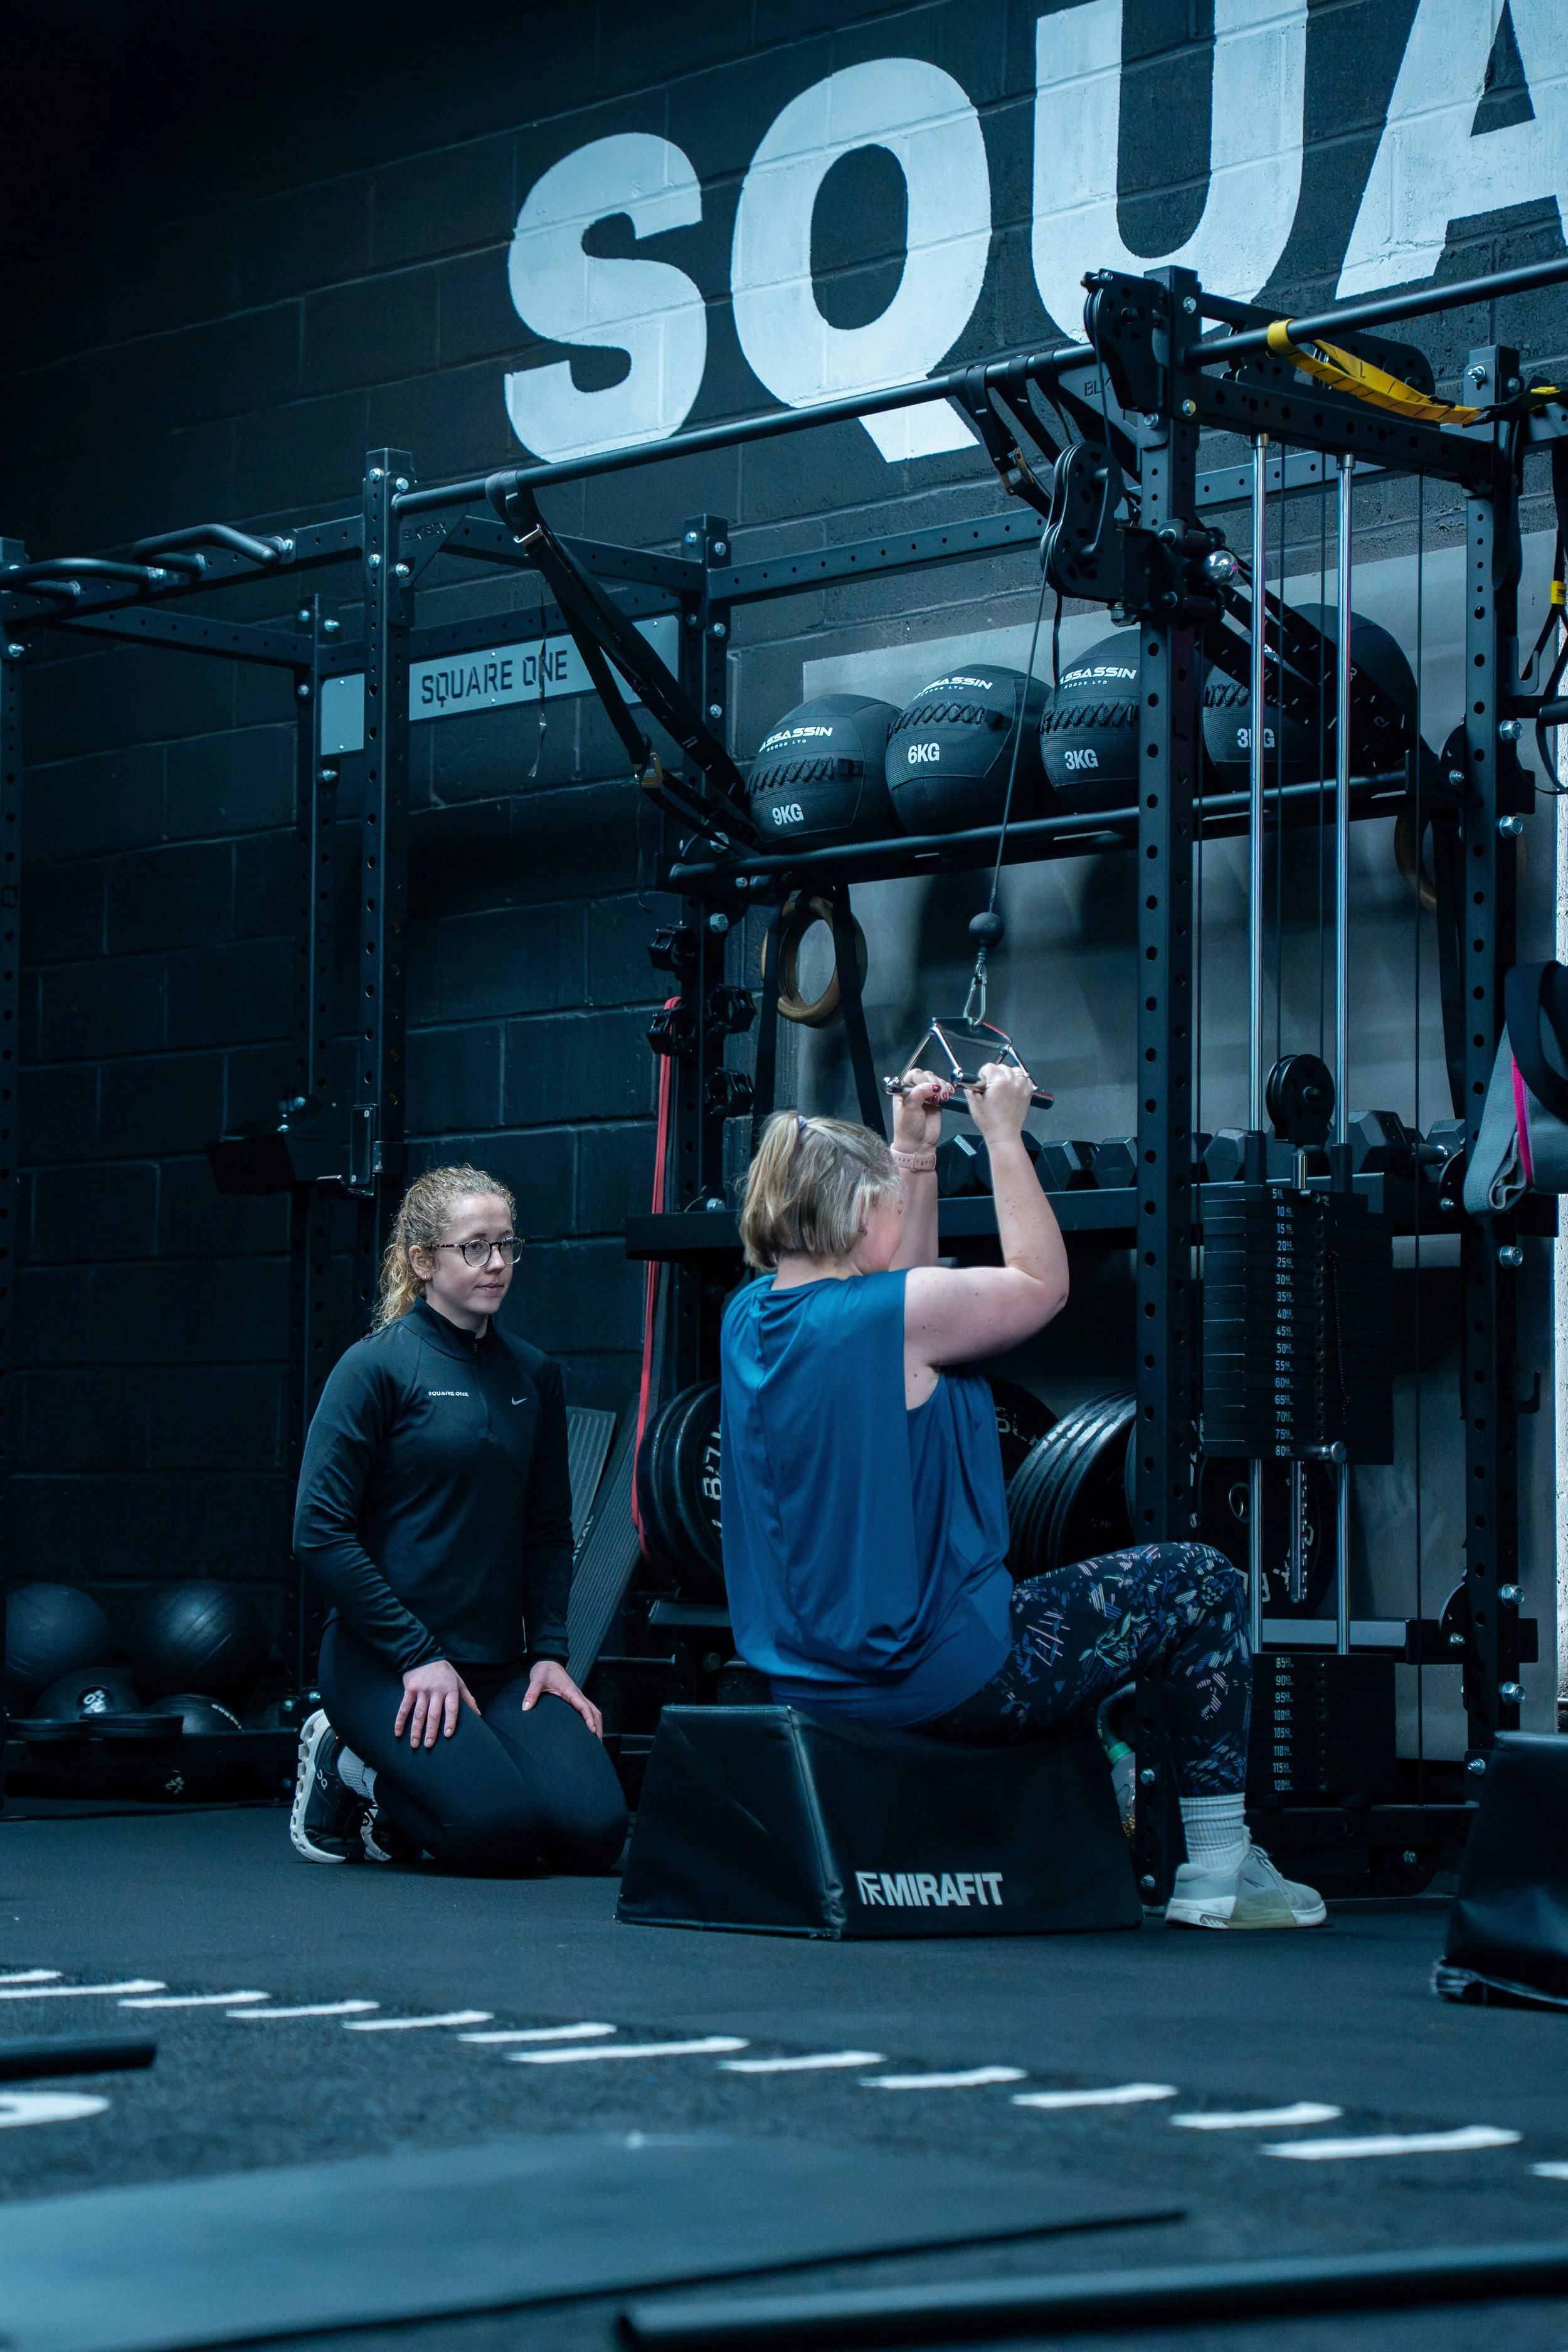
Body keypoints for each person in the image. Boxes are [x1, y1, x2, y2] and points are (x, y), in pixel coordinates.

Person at [720, 1071, 1325, 1931]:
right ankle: (1222, 1871)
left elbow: (905, 1290)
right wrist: (1000, 1134)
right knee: (1203, 1582)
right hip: (941, 1677)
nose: (896, 1209)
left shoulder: (748, 1318)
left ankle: (1129, 1784)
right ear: (859, 1216)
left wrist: (915, 1156)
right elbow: (1041, 1284)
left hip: (812, 1686)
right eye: (887, 1198)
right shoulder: (894, 1317)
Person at [287, 1163, 627, 1875]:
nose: (497, 1264)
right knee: (495, 1834)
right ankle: (347, 1766)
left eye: (507, 1245)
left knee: (593, 1832)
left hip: (499, 1665)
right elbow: (318, 1532)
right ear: (421, 1262)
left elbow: (546, 1530)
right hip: (385, 1662)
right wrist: (416, 1654)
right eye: (474, 1247)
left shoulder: (534, 1375)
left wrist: (550, 1656)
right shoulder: (375, 1368)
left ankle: (461, 1771)